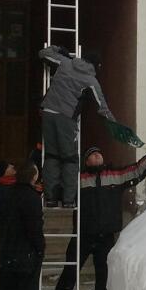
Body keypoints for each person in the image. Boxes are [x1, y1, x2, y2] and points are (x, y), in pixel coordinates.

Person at [43, 145, 146, 290]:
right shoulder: (78, 179)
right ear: (87, 161)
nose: (98, 157)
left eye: (100, 154)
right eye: (93, 155)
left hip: (105, 235)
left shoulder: (114, 175)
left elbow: (136, 171)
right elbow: (60, 190)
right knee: (70, 270)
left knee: (103, 274)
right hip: (82, 234)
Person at [38, 45, 116, 207]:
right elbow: (102, 107)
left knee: (51, 155)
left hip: (47, 112)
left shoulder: (65, 62)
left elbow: (43, 53)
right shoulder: (91, 81)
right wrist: (115, 125)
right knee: (70, 159)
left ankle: (50, 198)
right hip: (65, 118)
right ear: (96, 65)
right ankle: (68, 200)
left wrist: (59, 49)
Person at [0, 162, 47, 290]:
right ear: (32, 176)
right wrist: (40, 248)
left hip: (7, 248)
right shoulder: (30, 198)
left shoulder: (8, 194)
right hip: (26, 252)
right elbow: (34, 227)